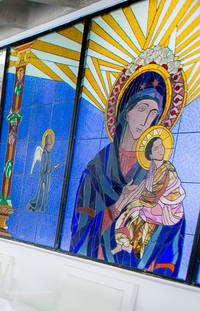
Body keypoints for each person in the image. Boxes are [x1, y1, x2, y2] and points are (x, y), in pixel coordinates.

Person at [69, 70, 185, 277]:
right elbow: (79, 230)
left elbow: (172, 229)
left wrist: (170, 220)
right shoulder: (95, 171)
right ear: (126, 111)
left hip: (134, 275)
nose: (147, 119)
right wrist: (116, 207)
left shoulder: (158, 171)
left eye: (153, 113)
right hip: (91, 272)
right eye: (142, 108)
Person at [112, 127, 185, 257]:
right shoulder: (151, 172)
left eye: (161, 146)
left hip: (169, 208)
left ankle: (132, 248)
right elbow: (143, 190)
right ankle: (123, 244)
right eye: (156, 148)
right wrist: (127, 197)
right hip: (154, 205)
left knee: (137, 210)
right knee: (132, 209)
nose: (161, 150)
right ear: (150, 154)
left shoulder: (168, 170)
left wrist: (145, 201)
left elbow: (167, 193)